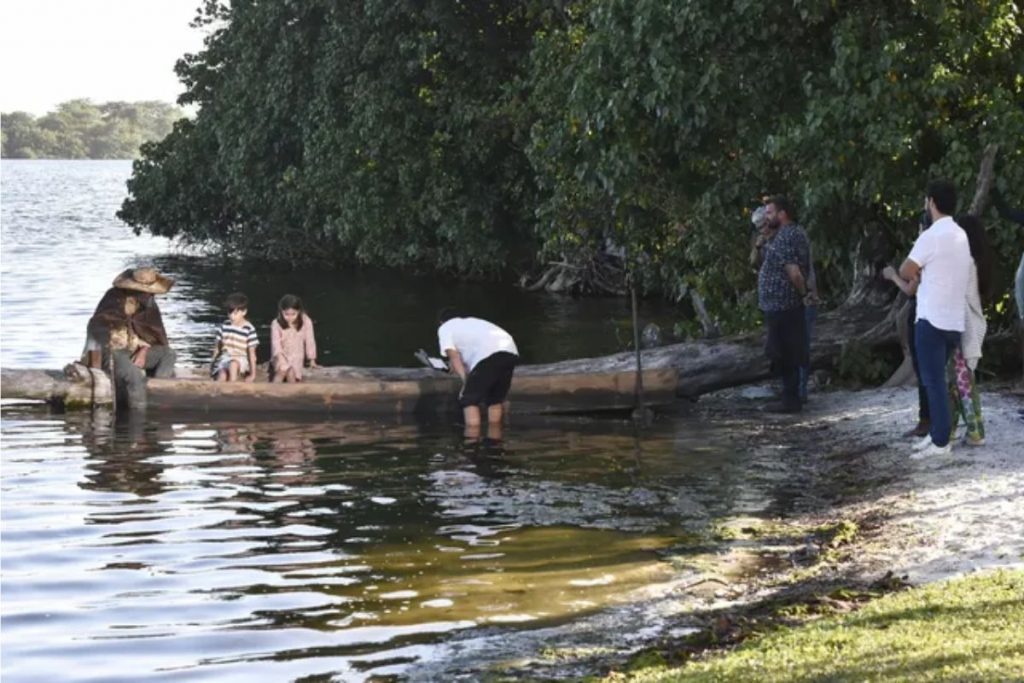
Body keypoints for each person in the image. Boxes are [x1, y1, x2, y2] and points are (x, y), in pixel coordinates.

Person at [899, 180, 971, 459]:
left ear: (931, 202)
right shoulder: (960, 234)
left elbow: (906, 270)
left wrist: (918, 270)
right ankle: (937, 434)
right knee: (938, 381)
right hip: (954, 320)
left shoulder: (931, 235)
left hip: (931, 319)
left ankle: (941, 441)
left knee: (933, 383)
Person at [84, 266, 177, 410]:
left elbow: (154, 335)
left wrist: (143, 350)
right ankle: (139, 413)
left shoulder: (148, 304)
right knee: (135, 377)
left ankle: (158, 394)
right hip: (114, 352)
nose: (150, 295)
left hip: (136, 350)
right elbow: (105, 333)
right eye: (146, 292)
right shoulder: (114, 300)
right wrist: (133, 345)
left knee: (168, 354)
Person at [757, 195, 812, 413]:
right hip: (777, 306)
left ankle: (791, 400)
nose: (766, 217)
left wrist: (804, 294)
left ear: (782, 214)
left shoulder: (788, 235)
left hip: (784, 305)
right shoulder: (782, 235)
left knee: (786, 353)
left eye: (769, 212)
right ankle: (789, 396)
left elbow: (794, 272)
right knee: (782, 351)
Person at [882, 212, 931, 438]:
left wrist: (893, 276)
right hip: (937, 314)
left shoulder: (925, 250)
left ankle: (926, 420)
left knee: (923, 370)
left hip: (921, 312)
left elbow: (911, 288)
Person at [436, 308, 519, 438]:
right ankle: (495, 439)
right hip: (510, 352)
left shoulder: (445, 328)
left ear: (441, 322)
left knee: (468, 399)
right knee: (494, 399)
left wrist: (465, 382)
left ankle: (472, 440)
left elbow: (453, 356)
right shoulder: (474, 323)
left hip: (488, 356)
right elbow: (467, 356)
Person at [947, 214, 992, 446]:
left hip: (962, 327)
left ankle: (973, 432)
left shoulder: (964, 262)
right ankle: (959, 429)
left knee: (960, 381)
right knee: (962, 380)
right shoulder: (976, 261)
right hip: (970, 326)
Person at [270, 294, 319, 382]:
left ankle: (292, 389)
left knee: (291, 372)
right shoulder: (276, 323)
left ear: (299, 311)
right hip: (280, 356)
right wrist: (281, 359)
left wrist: (312, 359)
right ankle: (274, 388)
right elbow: (276, 343)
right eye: (286, 314)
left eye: (293, 314)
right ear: (281, 311)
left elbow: (310, 340)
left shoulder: (306, 321)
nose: (290, 317)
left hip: (296, 357)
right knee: (283, 369)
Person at [211, 292, 259, 382]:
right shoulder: (224, 326)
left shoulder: (248, 329)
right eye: (229, 313)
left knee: (233, 364)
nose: (232, 316)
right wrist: (212, 364)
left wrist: (253, 374)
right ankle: (220, 389)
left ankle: (233, 385)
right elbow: (217, 348)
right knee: (222, 374)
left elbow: (251, 353)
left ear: (244, 312)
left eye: (235, 313)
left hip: (241, 359)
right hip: (225, 358)